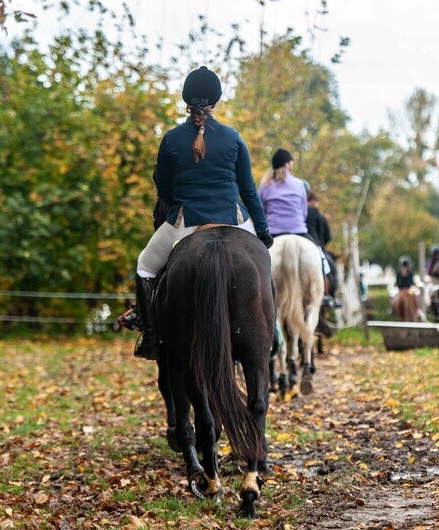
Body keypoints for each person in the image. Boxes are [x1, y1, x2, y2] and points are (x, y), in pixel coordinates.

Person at [132, 66, 273, 360]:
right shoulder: (234, 138)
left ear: (186, 100)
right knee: (263, 267)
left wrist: (179, 203)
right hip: (234, 220)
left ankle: (151, 335)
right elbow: (248, 190)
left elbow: (165, 188)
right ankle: (272, 334)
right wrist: (263, 230)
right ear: (216, 101)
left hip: (185, 222)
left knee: (144, 267)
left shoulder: (170, 140)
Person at [258, 148, 331, 279]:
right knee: (320, 256)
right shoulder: (300, 185)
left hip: (273, 233)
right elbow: (304, 213)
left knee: (254, 259)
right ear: (287, 164)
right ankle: (325, 287)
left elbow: (261, 212)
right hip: (298, 231)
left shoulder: (265, 185)